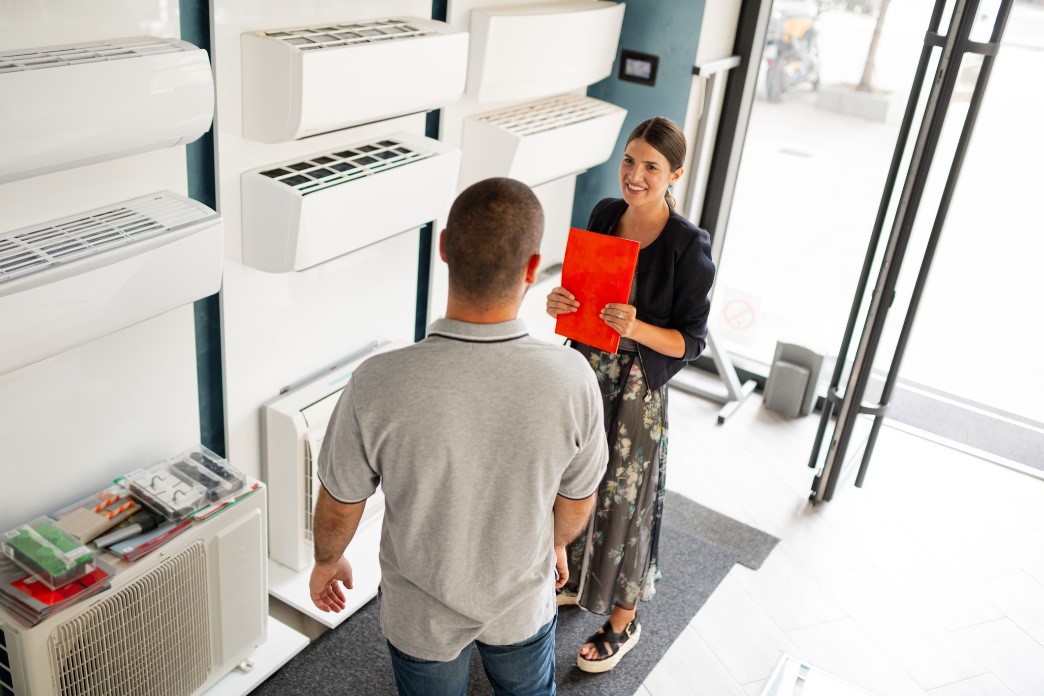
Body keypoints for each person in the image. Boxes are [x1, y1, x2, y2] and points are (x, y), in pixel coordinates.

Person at [309, 177, 608, 696]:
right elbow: (578, 498)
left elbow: (340, 503)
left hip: (421, 618)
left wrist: (327, 559)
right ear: (533, 268)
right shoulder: (572, 378)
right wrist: (554, 543)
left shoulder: (377, 381)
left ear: (444, 247)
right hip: (521, 607)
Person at [545, 116, 715, 673]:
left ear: (675, 175)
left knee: (624, 502)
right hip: (583, 369)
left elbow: (691, 341)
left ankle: (623, 620)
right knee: (570, 479)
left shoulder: (689, 246)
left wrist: (637, 327)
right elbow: (582, 293)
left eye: (651, 167)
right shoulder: (603, 214)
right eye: (629, 160)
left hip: (637, 386)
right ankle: (572, 577)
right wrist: (561, 303)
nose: (634, 175)